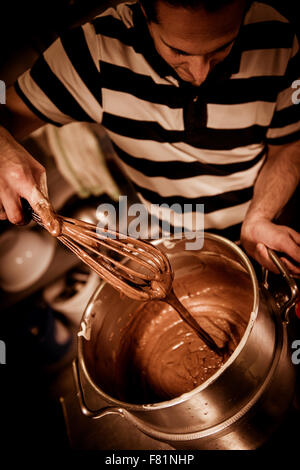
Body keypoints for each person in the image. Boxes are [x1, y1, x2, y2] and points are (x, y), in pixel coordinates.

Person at [0, 0, 299, 274]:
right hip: (170, 236)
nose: (200, 73)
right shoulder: (95, 54)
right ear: (144, 12)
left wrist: (260, 217)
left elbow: (289, 146)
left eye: (221, 48)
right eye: (179, 51)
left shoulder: (279, 41)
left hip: (258, 228)